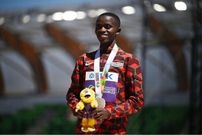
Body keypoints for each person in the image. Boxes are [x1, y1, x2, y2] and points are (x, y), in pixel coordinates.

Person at [66, 12, 144, 134]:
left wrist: (109, 112)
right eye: (98, 26)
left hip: (114, 131)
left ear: (118, 31)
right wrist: (77, 107)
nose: (102, 30)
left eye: (107, 26)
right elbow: (72, 94)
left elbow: (136, 101)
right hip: (85, 130)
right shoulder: (84, 60)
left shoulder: (129, 61)